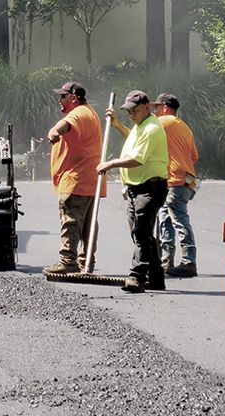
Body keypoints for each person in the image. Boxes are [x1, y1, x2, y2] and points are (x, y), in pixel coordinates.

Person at [99, 90, 169, 293]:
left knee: (141, 232)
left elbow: (138, 159)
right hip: (135, 188)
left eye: (135, 111)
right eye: (129, 111)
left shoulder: (152, 129)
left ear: (147, 107)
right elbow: (132, 138)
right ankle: (156, 277)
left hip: (150, 188)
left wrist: (110, 163)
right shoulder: (141, 126)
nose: (132, 115)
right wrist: (118, 125)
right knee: (141, 233)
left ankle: (137, 277)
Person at [42, 81, 103, 277]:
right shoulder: (90, 113)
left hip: (76, 180)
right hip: (89, 180)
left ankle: (68, 260)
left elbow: (65, 125)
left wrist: (54, 131)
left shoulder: (78, 113)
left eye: (62, 96)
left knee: (71, 221)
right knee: (87, 225)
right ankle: (86, 262)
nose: (59, 100)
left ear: (73, 98)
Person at [151, 93, 200, 278]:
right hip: (182, 180)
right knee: (165, 218)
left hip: (175, 180)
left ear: (164, 107)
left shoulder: (163, 122)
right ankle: (166, 260)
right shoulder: (184, 127)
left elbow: (139, 134)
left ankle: (188, 261)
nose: (155, 111)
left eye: (156, 108)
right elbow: (194, 156)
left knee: (179, 219)